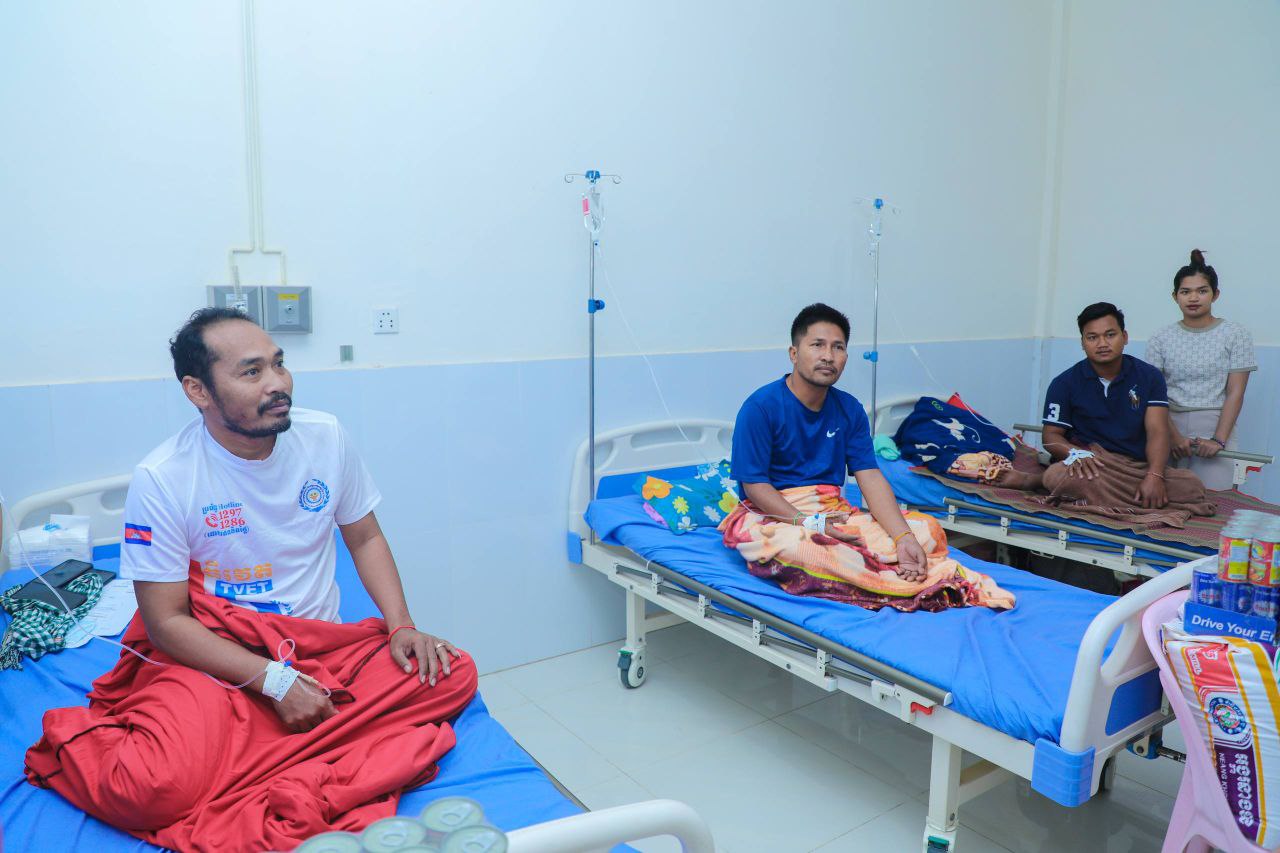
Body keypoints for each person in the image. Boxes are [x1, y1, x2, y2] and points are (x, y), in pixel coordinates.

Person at [25, 308, 477, 851]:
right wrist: (275, 682)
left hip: (320, 646)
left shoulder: (325, 437)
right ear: (198, 391)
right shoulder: (165, 479)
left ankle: (264, 748)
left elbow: (364, 537)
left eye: (279, 364)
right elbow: (166, 623)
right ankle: (304, 742)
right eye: (252, 371)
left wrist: (401, 625)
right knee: (148, 788)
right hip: (215, 658)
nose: (278, 383)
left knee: (452, 673)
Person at [730, 303, 929, 580]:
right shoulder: (760, 408)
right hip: (775, 516)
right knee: (803, 547)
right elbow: (755, 486)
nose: (828, 356)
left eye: (838, 347)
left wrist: (903, 537)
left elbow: (870, 476)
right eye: (817, 345)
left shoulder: (850, 410)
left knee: (924, 531)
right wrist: (810, 524)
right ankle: (866, 567)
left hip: (830, 512)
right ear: (794, 354)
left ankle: (868, 561)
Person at [1041, 302, 1173, 508]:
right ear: (1083, 343)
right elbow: (1050, 437)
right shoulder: (1064, 383)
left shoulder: (1149, 377)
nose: (1102, 343)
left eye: (1110, 335)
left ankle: (1044, 485)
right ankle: (1134, 500)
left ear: (1125, 337)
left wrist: (1155, 475)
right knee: (1056, 475)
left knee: (1191, 487)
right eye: (1092, 337)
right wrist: (1076, 453)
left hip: (1135, 468)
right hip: (1091, 466)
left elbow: (1158, 431)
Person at [1145, 249, 1257, 490]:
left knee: (1214, 499)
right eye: (1185, 292)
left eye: (1202, 291)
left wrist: (1218, 440)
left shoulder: (1236, 335)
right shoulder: (1160, 338)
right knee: (1164, 497)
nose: (1193, 298)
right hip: (1167, 426)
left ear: (1215, 294)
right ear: (1175, 296)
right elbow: (1154, 394)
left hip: (1215, 426)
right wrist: (1173, 436)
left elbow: (1236, 393)